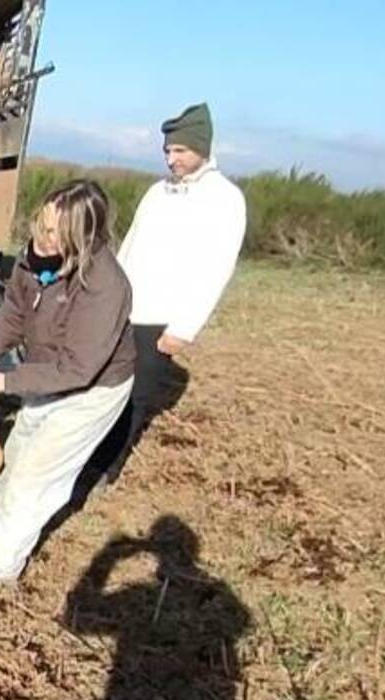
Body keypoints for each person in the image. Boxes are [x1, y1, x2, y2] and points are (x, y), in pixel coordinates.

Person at [0, 179, 137, 589]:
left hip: (92, 388)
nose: (42, 236)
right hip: (48, 371)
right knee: (19, 448)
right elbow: (14, 315)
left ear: (82, 237)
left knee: (38, 475)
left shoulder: (105, 285)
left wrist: (4, 381)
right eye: (41, 224)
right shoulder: (31, 259)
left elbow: (78, 369)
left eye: (54, 232)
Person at [87, 102, 247, 485]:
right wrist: (110, 296)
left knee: (137, 394)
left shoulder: (224, 199)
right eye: (167, 151)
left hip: (163, 315)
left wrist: (183, 328)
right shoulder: (158, 191)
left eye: (180, 151)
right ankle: (88, 453)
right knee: (104, 383)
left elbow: (216, 270)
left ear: (203, 149)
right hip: (127, 307)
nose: (171, 159)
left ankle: (106, 468)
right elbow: (130, 246)